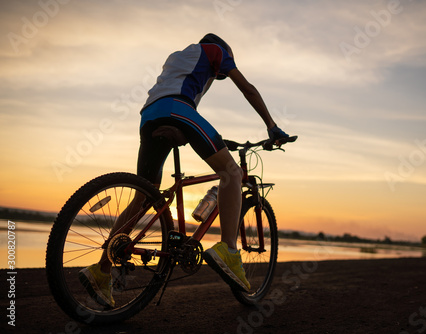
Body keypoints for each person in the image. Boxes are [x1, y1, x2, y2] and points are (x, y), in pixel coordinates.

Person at [78, 33, 290, 308]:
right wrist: (271, 125)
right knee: (232, 174)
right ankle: (228, 249)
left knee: (145, 195)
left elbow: (174, 95)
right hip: (179, 109)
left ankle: (100, 269)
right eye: (221, 74)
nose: (218, 77)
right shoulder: (216, 50)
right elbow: (247, 88)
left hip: (150, 116)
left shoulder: (178, 57)